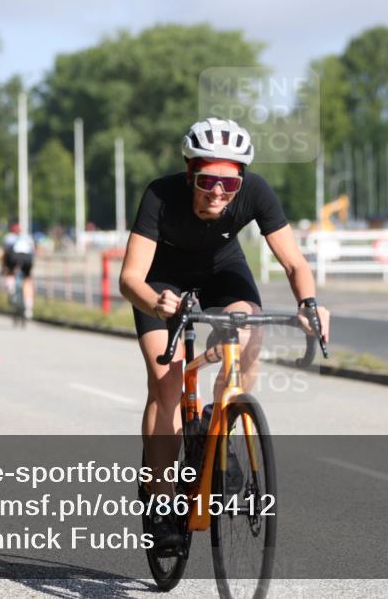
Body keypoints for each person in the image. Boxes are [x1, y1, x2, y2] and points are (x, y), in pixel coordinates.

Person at [119, 117, 330, 549]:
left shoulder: (256, 192)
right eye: (207, 180)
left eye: (229, 185)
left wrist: (308, 305)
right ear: (189, 172)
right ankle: (159, 502)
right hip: (161, 283)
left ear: (242, 182)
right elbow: (129, 279)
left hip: (222, 272)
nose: (218, 192)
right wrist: (152, 303)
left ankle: (221, 427)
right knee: (166, 383)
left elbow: (294, 263)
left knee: (247, 328)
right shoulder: (161, 194)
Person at [2, 222, 35, 319]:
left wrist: (4, 267)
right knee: (27, 281)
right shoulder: (27, 237)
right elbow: (33, 252)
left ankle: (11, 289)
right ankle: (28, 308)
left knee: (10, 274)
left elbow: (5, 254)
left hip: (14, 257)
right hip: (27, 258)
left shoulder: (8, 237)